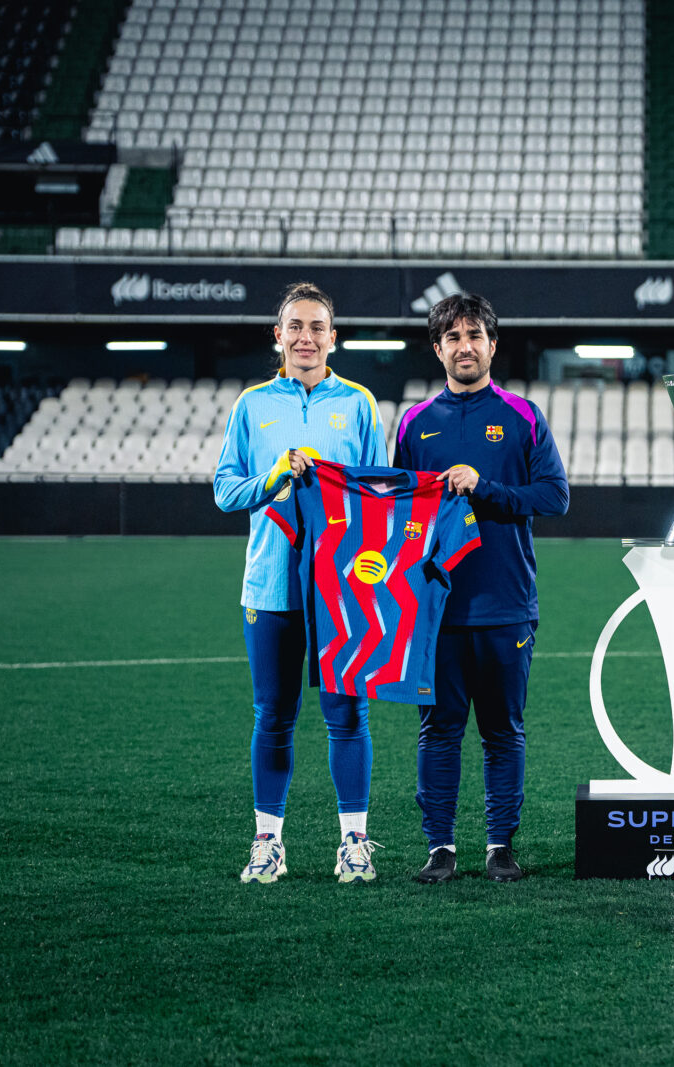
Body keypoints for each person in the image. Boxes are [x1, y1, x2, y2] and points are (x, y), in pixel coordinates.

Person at [214, 282, 387, 884]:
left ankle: (355, 842)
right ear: (279, 336)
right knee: (273, 717)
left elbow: (379, 498)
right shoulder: (251, 406)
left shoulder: (361, 404)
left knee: (347, 715)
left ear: (333, 338)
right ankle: (268, 843)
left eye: (318, 327)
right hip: (270, 585)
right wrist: (275, 477)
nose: (306, 337)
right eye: (296, 326)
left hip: (343, 586)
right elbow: (224, 490)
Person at [393, 292, 568, 884]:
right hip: (435, 610)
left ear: (493, 344)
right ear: (437, 348)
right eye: (452, 338)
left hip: (505, 606)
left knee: (502, 732)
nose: (464, 347)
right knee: (438, 731)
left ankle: (500, 846)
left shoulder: (522, 417)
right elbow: (396, 515)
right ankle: (440, 847)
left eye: (475, 335)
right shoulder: (415, 423)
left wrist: (483, 487)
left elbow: (554, 497)